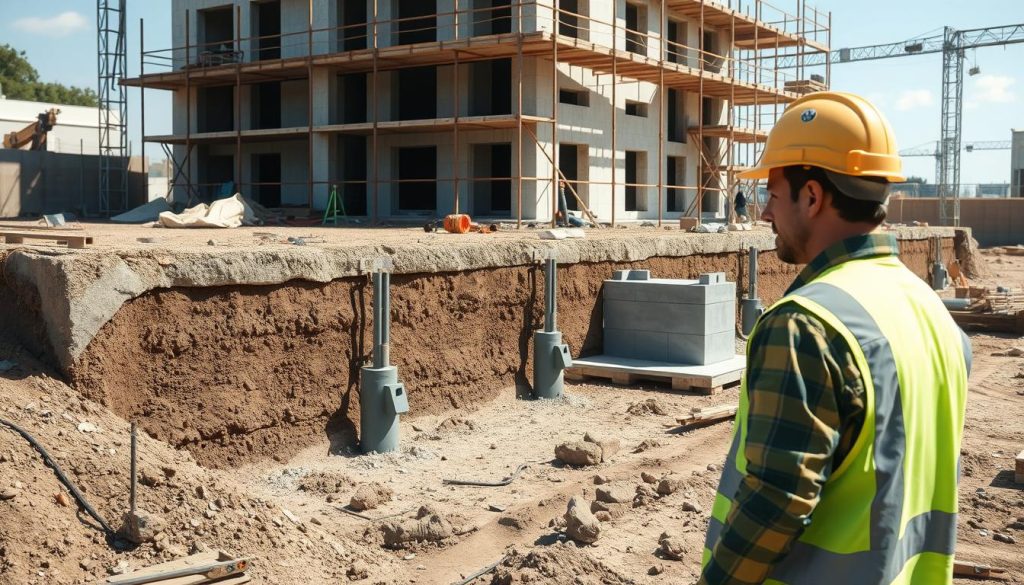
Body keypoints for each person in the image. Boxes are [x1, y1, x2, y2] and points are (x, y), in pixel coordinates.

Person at [700, 91, 971, 584]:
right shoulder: (932, 309)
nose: (764, 214)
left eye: (772, 196)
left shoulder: (806, 325)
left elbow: (777, 500)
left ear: (812, 197)